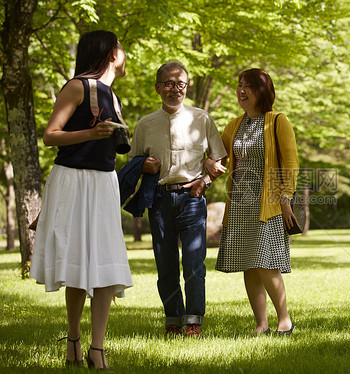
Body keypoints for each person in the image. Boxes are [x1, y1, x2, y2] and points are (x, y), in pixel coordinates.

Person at [29, 30, 133, 370]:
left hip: (104, 183)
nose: (124, 52)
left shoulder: (112, 96)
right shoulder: (77, 86)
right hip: (72, 181)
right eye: (120, 46)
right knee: (75, 261)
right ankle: (74, 339)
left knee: (105, 262)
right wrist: (92, 132)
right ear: (109, 53)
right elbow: (50, 136)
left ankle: (96, 349)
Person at [129, 61, 227, 338]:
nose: (175, 89)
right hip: (159, 200)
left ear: (187, 87)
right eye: (169, 83)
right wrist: (143, 166)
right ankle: (172, 319)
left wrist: (205, 181)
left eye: (180, 84)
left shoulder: (202, 119)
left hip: (192, 199)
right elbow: (134, 162)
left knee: (194, 264)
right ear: (158, 87)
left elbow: (219, 157)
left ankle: (193, 320)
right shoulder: (144, 124)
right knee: (166, 264)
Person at [215, 68, 298, 335]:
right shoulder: (234, 125)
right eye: (239, 85)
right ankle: (261, 324)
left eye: (248, 86)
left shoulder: (277, 121)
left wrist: (286, 197)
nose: (241, 91)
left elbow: (291, 163)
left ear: (262, 91)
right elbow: (220, 155)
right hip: (240, 202)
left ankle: (284, 319)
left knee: (265, 261)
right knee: (248, 263)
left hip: (269, 202)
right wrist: (209, 162)